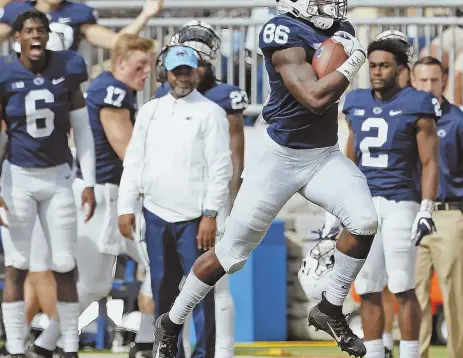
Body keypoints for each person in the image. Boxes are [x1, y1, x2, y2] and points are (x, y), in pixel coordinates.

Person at [149, 1, 378, 357]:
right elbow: (315, 98)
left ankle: (330, 307)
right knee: (230, 254)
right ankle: (171, 322)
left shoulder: (340, 28)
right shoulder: (282, 29)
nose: (330, 4)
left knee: (364, 222)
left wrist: (347, 57)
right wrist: (352, 61)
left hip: (323, 155)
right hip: (279, 158)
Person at [23, 33, 157, 358]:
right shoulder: (112, 91)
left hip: (101, 193)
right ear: (121, 62)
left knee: (99, 284)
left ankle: (43, 346)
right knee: (162, 262)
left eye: (149, 67)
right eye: (140, 66)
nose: (146, 74)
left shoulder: (110, 87)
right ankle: (146, 342)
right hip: (104, 197)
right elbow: (126, 150)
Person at [0, 10, 96, 358]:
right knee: (16, 263)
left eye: (41, 30)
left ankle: (70, 348)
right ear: (17, 37)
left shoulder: (68, 67)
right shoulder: (1, 73)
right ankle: (16, 349)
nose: (35, 35)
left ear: (47, 36)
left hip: (59, 175)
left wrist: (88, 181)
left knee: (63, 262)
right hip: (18, 177)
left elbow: (83, 129)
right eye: (28, 30)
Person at [117, 45, 232, 358]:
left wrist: (210, 214)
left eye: (188, 70)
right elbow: (134, 161)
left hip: (195, 217)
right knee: (161, 289)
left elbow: (221, 168)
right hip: (155, 213)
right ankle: (169, 353)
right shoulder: (149, 112)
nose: (182, 76)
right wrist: (125, 205)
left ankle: (203, 353)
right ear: (164, 73)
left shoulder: (211, 112)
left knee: (200, 291)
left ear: (197, 72)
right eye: (176, 70)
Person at [153, 20, 247, 358]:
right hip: (175, 196)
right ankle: (176, 350)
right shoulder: (165, 97)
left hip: (212, 197)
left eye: (199, 62)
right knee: (177, 283)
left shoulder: (224, 95)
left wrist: (229, 203)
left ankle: (221, 352)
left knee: (214, 281)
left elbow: (236, 155)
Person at [343, 38, 441, 358]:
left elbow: (429, 161)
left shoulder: (418, 102)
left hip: (402, 200)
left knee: (402, 284)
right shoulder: (355, 101)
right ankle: (374, 353)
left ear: (401, 69)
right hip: (364, 202)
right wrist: (339, 206)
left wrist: (427, 206)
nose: (376, 72)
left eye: (384, 65)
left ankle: (410, 353)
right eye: (372, 65)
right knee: (368, 286)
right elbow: (350, 156)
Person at [411, 56, 463, 358]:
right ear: (412, 81)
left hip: (450, 215)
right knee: (411, 294)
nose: (429, 86)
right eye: (423, 80)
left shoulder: (460, 120)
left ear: (444, 81)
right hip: (412, 214)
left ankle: (458, 355)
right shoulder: (405, 119)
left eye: (434, 80)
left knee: (455, 296)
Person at [0, 0, 162, 52]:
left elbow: (117, 42)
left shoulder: (76, 13)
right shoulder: (16, 10)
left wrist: (145, 15)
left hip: (61, 86)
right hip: (21, 86)